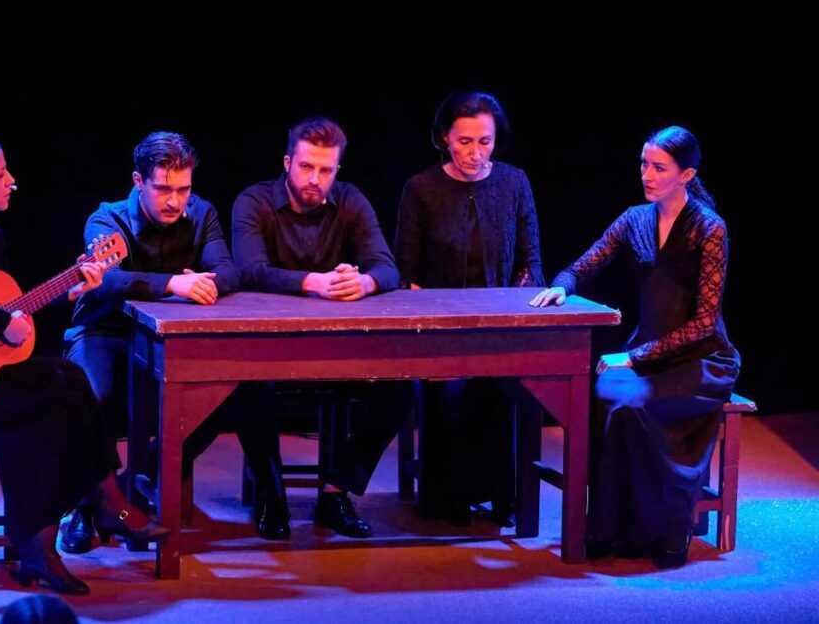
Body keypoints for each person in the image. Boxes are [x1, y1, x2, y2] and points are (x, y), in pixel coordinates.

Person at [0, 132, 167, 595]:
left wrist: (72, 288)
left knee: (56, 396)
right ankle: (106, 505)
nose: (12, 180)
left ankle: (44, 544)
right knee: (64, 386)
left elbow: (13, 309)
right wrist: (1, 322)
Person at [530, 125, 739, 568]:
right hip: (647, 350)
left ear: (686, 175)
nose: (647, 175)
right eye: (644, 164)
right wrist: (562, 286)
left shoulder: (709, 228)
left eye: (659, 168)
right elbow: (584, 265)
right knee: (605, 399)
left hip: (701, 358)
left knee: (634, 407)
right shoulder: (634, 219)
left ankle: (670, 527)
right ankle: (609, 527)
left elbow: (704, 323)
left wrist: (634, 356)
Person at [232, 116, 413, 539]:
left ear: (337, 170)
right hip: (268, 348)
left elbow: (387, 267)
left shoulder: (350, 201)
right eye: (306, 167)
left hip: (336, 349)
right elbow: (249, 270)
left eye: (326, 170)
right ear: (287, 163)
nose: (315, 179)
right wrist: (312, 282)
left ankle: (336, 493)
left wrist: (364, 282)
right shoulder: (254, 201)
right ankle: (272, 496)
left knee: (401, 389)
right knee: (244, 385)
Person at [60, 131, 239, 551]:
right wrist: (173, 284)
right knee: (94, 396)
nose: (175, 201)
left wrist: (207, 284)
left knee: (229, 393)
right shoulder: (106, 219)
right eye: (163, 189)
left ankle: (125, 485)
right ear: (138, 181)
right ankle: (88, 505)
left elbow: (228, 273)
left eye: (183, 189)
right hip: (105, 332)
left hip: (170, 341)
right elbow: (106, 282)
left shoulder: (202, 214)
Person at [395, 91, 543, 527]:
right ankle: (448, 496)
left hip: (500, 328)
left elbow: (531, 263)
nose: (475, 153)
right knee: (451, 389)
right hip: (439, 331)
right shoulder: (421, 188)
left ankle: (500, 494)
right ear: (445, 137)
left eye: (484, 142)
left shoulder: (514, 182)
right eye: (464, 142)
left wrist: (513, 309)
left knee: (499, 384)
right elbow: (404, 271)